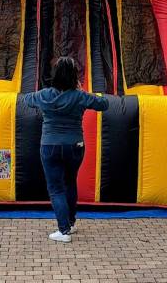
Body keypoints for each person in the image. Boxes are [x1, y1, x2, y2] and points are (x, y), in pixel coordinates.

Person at [24, 56, 109, 243]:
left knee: (56, 189)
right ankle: (70, 223)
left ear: (55, 75)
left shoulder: (45, 95)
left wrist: (43, 99)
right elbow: (104, 104)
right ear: (74, 76)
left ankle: (63, 231)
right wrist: (81, 90)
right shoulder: (80, 96)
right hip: (75, 146)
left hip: (50, 146)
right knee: (70, 182)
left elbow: (26, 100)